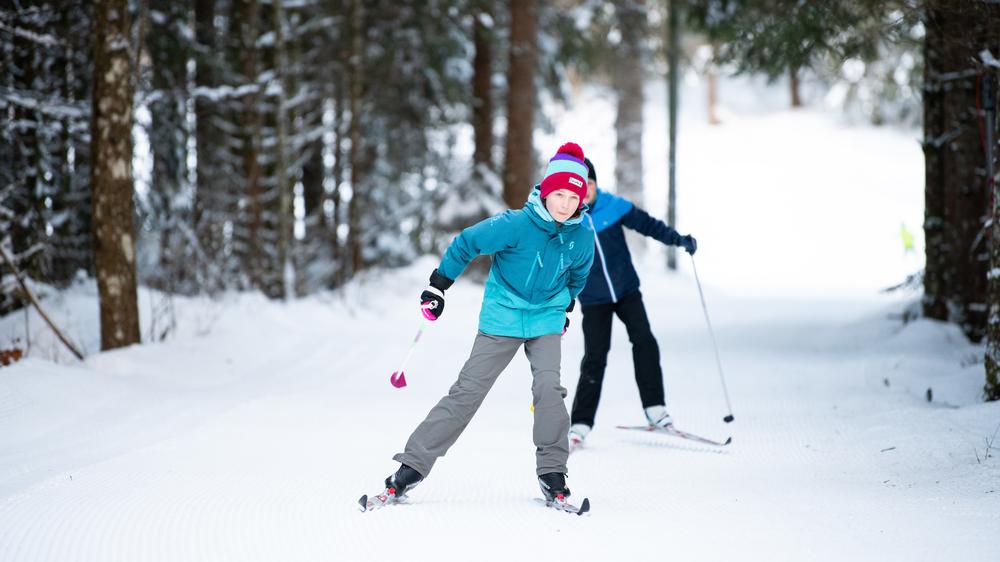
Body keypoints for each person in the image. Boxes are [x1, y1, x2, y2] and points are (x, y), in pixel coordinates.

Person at [370, 143, 596, 509]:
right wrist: (438, 285)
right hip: (502, 315)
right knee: (468, 390)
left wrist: (566, 306)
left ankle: (553, 473)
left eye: (574, 197)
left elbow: (578, 275)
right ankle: (411, 467)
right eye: (559, 194)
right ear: (545, 191)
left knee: (549, 389)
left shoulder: (582, 236)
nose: (566, 204)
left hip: (546, 317)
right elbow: (467, 242)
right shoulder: (516, 224)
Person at [567, 157, 697, 451]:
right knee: (595, 357)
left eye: (589, 184)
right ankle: (580, 424)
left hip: (627, 291)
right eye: (578, 187)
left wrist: (678, 240)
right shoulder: (568, 223)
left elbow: (648, 225)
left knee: (644, 340)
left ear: (596, 184)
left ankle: (655, 410)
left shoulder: (613, 208)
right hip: (594, 299)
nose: (584, 191)